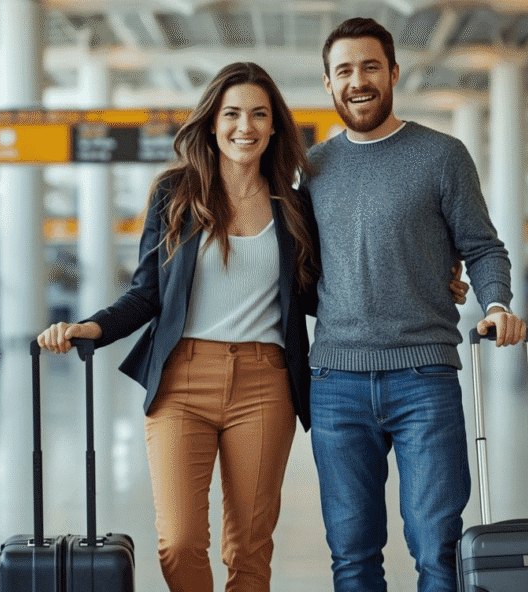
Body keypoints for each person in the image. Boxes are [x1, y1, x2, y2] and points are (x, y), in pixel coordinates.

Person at [37, 62, 318, 592]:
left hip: (265, 383)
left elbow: (321, 290)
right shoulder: (177, 193)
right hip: (182, 380)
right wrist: (92, 327)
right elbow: (148, 290)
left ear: (275, 126)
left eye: (260, 114)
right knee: (180, 541)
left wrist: (425, 287)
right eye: (231, 113)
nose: (245, 126)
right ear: (211, 123)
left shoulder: (293, 205)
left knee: (250, 546)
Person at [300, 18, 527, 592]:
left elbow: (482, 245)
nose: (359, 81)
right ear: (328, 83)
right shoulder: (313, 169)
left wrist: (494, 304)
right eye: (344, 70)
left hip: (423, 377)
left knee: (437, 548)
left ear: (394, 73)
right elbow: (297, 269)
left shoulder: (442, 156)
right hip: (335, 382)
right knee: (351, 555)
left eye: (370, 67)